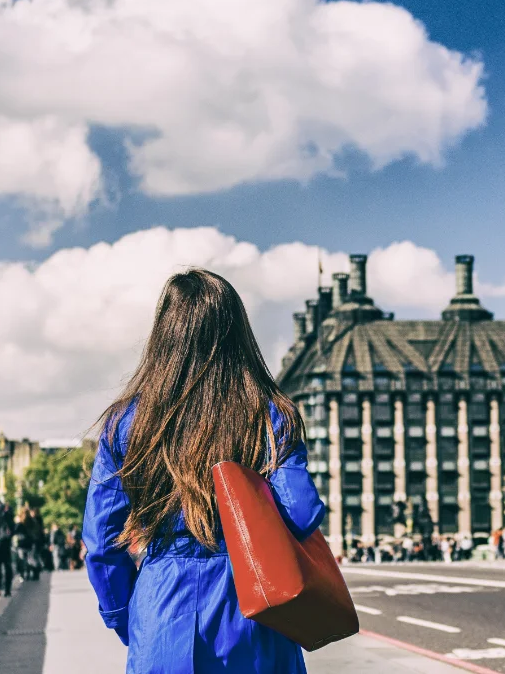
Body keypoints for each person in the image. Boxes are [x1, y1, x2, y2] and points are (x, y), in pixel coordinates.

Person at [83, 269, 324, 673]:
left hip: (162, 605)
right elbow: (301, 513)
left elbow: (102, 545)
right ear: (237, 334)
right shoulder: (270, 416)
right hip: (254, 611)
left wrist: (130, 616)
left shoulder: (125, 423)